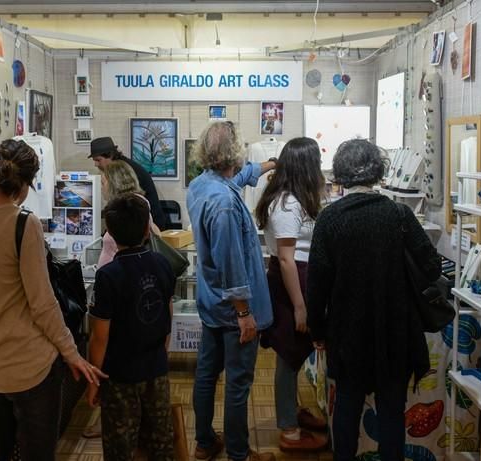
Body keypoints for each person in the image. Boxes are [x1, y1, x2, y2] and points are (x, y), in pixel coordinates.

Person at [0, 139, 104, 461]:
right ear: (28, 183)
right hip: (31, 363)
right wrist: (72, 354)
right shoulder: (22, 222)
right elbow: (42, 302)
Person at [306, 139, 440, 461]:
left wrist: (317, 332)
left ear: (340, 174)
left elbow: (317, 284)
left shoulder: (330, 219)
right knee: (392, 411)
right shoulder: (400, 215)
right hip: (395, 331)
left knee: (347, 406)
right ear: (379, 172)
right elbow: (432, 266)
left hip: (347, 333)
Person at [186, 121, 275, 461]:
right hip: (232, 310)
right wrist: (244, 314)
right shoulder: (224, 203)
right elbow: (231, 264)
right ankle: (238, 453)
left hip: (211, 304)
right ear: (234, 152)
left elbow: (239, 177)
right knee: (237, 383)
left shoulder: (202, 185)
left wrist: (268, 165)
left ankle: (205, 442)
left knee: (207, 373)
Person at [86, 193, 175, 460]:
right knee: (160, 441)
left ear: (110, 233)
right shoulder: (163, 263)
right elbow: (167, 315)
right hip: (156, 367)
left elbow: (99, 337)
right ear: (148, 228)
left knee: (120, 445)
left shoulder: (108, 276)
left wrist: (94, 380)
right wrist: (163, 353)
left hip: (119, 374)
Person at [254, 137, 328, 453]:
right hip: (292, 281)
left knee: (295, 352)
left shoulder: (294, 198)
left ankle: (291, 411)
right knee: (289, 353)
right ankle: (289, 429)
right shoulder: (287, 203)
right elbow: (285, 258)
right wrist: (299, 306)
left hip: (300, 277)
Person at [89, 136, 167, 230]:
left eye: (98, 160)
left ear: (110, 155)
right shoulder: (122, 166)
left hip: (146, 225)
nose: (96, 164)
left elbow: (127, 206)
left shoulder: (123, 170)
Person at [96, 161, 160, 269]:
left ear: (114, 183)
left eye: (103, 183)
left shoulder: (131, 207)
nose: (101, 188)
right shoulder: (122, 206)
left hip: (122, 275)